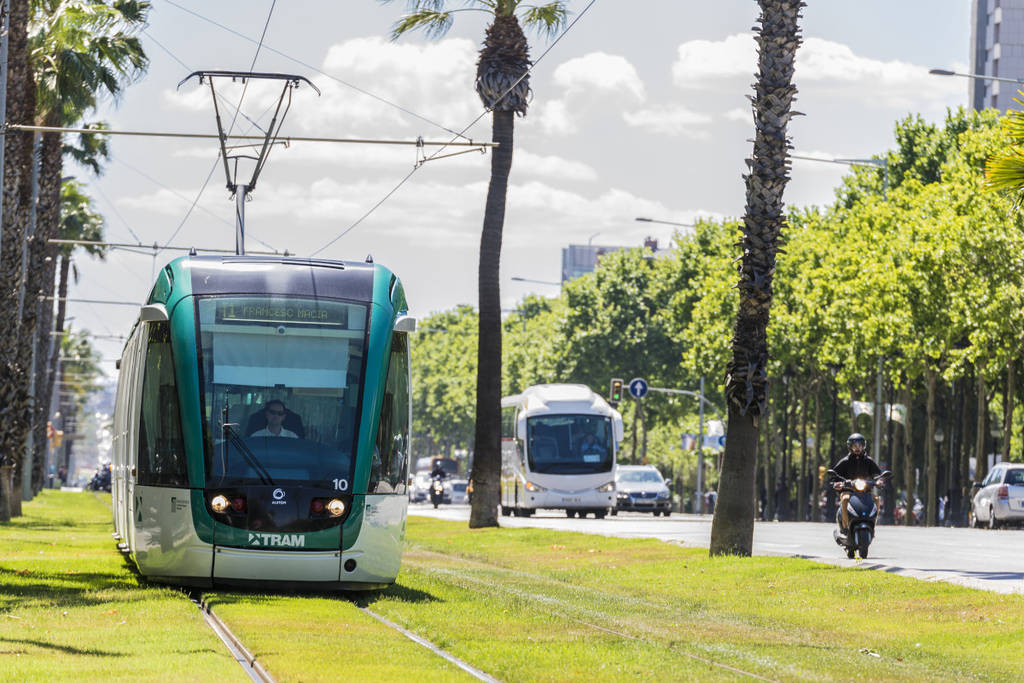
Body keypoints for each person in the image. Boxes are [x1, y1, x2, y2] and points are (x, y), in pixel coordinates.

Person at [830, 433, 882, 532]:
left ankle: (872, 525)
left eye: (859, 445)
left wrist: (879, 480)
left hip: (865, 491)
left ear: (863, 446)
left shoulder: (868, 461)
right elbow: (834, 476)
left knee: (876, 499)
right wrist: (836, 483)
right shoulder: (845, 461)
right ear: (850, 446)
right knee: (845, 499)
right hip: (848, 491)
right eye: (854, 445)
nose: (857, 448)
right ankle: (845, 527)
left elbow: (876, 474)